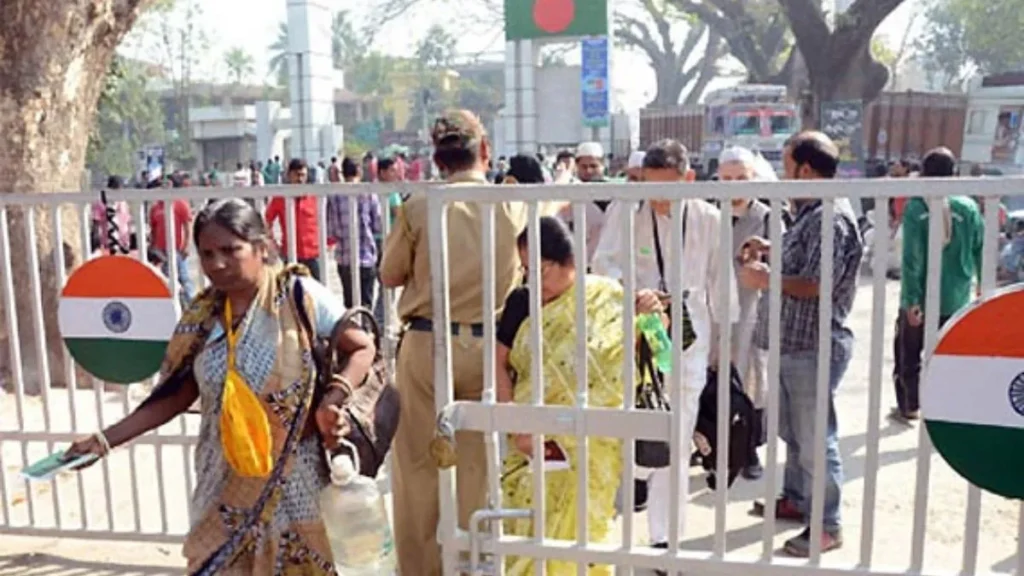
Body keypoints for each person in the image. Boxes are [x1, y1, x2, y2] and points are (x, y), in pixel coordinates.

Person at [64, 198, 377, 574]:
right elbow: (176, 395)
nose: (217, 264)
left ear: (261, 247)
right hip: (222, 483)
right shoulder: (202, 317)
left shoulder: (299, 296)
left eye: (231, 250)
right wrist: (103, 441)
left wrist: (333, 398)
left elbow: (362, 347)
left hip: (297, 481)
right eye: (207, 254)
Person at [381, 110, 527, 576]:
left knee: (418, 468)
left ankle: (422, 569)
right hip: (490, 349)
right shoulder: (512, 204)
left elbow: (389, 274)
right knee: (477, 466)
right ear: (484, 150)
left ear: (437, 157)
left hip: (428, 343)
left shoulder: (420, 204)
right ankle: (470, 563)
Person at [591, 138, 738, 554]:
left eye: (665, 187)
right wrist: (634, 292)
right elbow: (603, 264)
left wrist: (725, 349)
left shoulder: (709, 217)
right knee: (631, 422)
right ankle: (625, 494)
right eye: (649, 185)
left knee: (678, 429)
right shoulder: (626, 209)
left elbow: (720, 283)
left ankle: (665, 537)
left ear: (687, 178)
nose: (656, 197)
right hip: (640, 326)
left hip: (688, 328)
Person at [498, 217, 645, 575]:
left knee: (583, 540)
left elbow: (661, 356)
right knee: (533, 539)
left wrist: (652, 319)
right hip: (533, 443)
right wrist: (516, 424)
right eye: (526, 270)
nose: (533, 280)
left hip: (593, 447)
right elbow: (497, 364)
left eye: (541, 270)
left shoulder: (609, 299)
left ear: (570, 261)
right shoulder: (522, 302)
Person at [740, 131, 864, 556]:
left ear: (806, 170)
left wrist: (766, 278)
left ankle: (827, 523)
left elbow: (816, 283)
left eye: (787, 166)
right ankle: (796, 499)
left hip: (813, 345)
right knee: (794, 432)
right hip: (793, 342)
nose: (782, 174)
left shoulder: (830, 217)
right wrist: (771, 250)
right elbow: (803, 261)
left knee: (814, 440)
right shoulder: (811, 213)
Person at [891, 147, 984, 424]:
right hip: (957, 298)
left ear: (923, 173)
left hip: (921, 299)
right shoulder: (968, 207)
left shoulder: (918, 206)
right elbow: (981, 249)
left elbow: (912, 259)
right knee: (947, 356)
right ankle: (945, 409)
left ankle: (910, 406)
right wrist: (982, 286)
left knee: (909, 355)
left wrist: (912, 300)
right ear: (953, 174)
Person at [714, 146, 781, 480]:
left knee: (751, 379)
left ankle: (749, 448)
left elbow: (783, 262)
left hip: (751, 309)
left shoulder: (767, 216)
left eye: (741, 178)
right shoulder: (706, 213)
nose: (734, 185)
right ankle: (712, 444)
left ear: (753, 178)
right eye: (727, 179)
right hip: (712, 308)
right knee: (712, 377)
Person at [327, 157, 382, 309]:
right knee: (366, 303)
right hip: (366, 256)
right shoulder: (369, 193)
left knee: (349, 304)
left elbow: (331, 231)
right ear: (359, 171)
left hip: (344, 258)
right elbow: (378, 225)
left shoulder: (334, 196)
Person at [265, 158, 323, 281]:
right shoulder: (280, 198)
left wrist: (328, 242)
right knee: (290, 289)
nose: (300, 179)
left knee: (317, 289)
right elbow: (267, 220)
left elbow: (325, 219)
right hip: (290, 253)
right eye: (297, 175)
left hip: (313, 254)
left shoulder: (314, 196)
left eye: (303, 175)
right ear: (289, 175)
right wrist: (272, 242)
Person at [150, 175, 196, 308]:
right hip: (160, 249)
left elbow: (187, 226)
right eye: (162, 185)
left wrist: (186, 245)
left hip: (176, 248)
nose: (164, 187)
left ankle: (191, 306)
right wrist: (152, 246)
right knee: (166, 278)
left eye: (167, 184)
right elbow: (153, 228)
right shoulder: (156, 207)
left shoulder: (180, 203)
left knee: (183, 278)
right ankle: (173, 306)